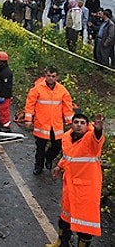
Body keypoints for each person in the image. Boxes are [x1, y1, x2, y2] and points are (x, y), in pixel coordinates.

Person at [47, 113, 105, 247]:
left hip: (87, 189)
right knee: (64, 218)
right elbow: (69, 156)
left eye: (83, 123)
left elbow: (97, 139)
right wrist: (59, 166)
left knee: (85, 226)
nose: (79, 125)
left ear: (87, 125)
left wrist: (98, 128)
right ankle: (62, 243)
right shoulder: (67, 137)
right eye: (76, 122)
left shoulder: (90, 139)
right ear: (71, 124)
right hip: (70, 186)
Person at [24, 68, 74, 175]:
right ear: (45, 76)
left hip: (56, 125)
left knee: (57, 146)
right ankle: (38, 166)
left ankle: (49, 158)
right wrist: (28, 120)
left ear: (57, 77)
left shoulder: (62, 90)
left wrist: (70, 121)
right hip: (41, 124)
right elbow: (30, 105)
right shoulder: (37, 89)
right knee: (40, 148)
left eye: (53, 76)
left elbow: (67, 106)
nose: (51, 78)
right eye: (49, 76)